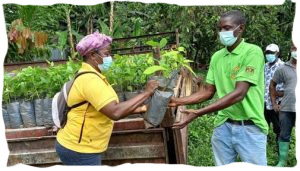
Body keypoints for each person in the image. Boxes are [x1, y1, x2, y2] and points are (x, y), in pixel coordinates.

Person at [169, 10, 268, 166]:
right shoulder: (217, 57)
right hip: (224, 125)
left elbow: (239, 94)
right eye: (220, 28)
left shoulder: (252, 52)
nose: (222, 32)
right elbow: (208, 91)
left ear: (240, 28)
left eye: (227, 28)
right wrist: (177, 101)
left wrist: (199, 112)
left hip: (250, 128)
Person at [55, 31, 159, 165]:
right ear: (92, 55)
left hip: (81, 146)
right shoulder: (90, 80)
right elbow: (115, 112)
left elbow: (103, 108)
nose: (110, 58)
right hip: (79, 150)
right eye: (106, 54)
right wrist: (146, 93)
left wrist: (140, 108)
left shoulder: (92, 74)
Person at [270, 42, 297, 167]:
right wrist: (274, 103)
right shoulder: (283, 69)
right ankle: (282, 161)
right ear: (291, 49)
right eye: (294, 48)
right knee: (284, 135)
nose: (296, 51)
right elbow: (272, 85)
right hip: (287, 109)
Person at [264, 44, 284, 143]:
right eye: (267, 52)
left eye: (271, 53)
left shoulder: (283, 67)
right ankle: (265, 141)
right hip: (265, 101)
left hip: (277, 102)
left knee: (279, 127)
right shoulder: (265, 66)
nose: (269, 55)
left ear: (277, 53)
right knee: (263, 124)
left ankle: (280, 147)